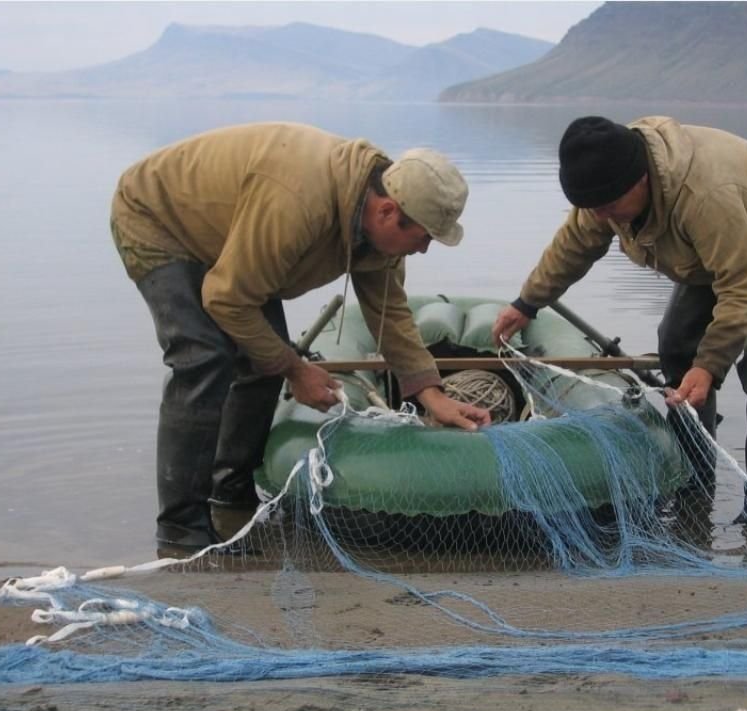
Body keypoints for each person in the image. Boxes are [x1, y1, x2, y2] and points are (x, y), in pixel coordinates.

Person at [111, 122, 491, 551]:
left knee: (261, 360)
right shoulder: (297, 204)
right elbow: (228, 300)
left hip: (233, 238)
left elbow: (390, 312)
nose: (422, 251)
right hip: (158, 216)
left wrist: (432, 394)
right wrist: (296, 370)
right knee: (203, 358)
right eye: (422, 239)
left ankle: (229, 493)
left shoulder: (380, 228)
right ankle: (181, 528)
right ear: (387, 212)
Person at [492, 115, 747, 511]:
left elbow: (746, 286)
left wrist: (709, 365)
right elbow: (575, 243)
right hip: (711, 247)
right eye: (592, 208)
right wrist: (527, 302)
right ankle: (694, 475)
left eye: (609, 207)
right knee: (676, 341)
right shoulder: (607, 186)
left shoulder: (704, 196)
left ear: (640, 181)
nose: (601, 217)